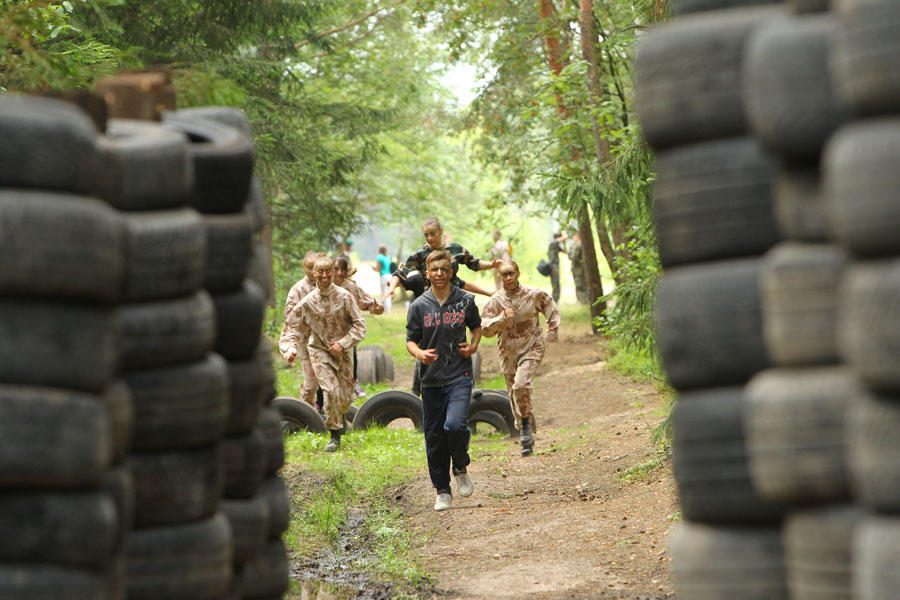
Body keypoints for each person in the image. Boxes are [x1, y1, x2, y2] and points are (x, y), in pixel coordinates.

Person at [406, 250, 482, 511]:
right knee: (435, 436)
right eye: (434, 270)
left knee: (456, 425)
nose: (439, 274)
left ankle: (460, 466)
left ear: (451, 273)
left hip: (459, 374)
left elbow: (476, 326)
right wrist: (419, 353)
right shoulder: (418, 306)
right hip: (430, 379)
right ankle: (442, 491)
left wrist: (473, 346)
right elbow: (410, 340)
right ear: (427, 273)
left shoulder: (465, 301)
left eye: (444, 270)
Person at [283, 256, 366, 452]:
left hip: (343, 351)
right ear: (314, 274)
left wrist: (344, 343)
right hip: (319, 350)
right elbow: (291, 326)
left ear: (332, 272)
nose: (325, 275)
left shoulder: (345, 296)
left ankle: (341, 417)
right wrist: (289, 348)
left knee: (345, 396)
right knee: (330, 390)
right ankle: (334, 435)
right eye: (320, 272)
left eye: (328, 271)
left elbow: (360, 326)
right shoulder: (307, 301)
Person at [481, 260, 560, 456]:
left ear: (518, 273)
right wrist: (501, 319)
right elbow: (485, 330)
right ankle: (524, 424)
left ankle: (525, 429)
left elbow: (550, 307)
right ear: (499, 277)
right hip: (508, 351)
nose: (508, 278)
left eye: (511, 273)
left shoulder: (533, 294)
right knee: (512, 392)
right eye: (504, 275)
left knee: (521, 385)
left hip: (532, 346)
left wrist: (552, 329)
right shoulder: (496, 301)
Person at [384, 217, 500, 301]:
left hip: (453, 299)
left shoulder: (454, 249)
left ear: (440, 232)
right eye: (426, 235)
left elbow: (474, 263)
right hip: (430, 301)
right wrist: (392, 289)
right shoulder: (420, 255)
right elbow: (400, 273)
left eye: (432, 234)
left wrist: (492, 264)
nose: (429, 238)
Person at [279, 251, 324, 408]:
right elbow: (290, 317)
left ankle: (326, 410)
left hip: (325, 340)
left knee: (327, 379)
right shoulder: (298, 289)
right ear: (304, 268)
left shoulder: (327, 285)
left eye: (315, 268)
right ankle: (304, 409)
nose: (313, 272)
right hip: (304, 341)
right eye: (310, 268)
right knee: (311, 383)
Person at [334, 256, 384, 397]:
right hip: (328, 332)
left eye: (342, 269)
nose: (338, 273)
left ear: (346, 271)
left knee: (351, 355)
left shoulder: (351, 287)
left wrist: (376, 307)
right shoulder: (324, 285)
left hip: (347, 330)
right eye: (336, 269)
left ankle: (353, 383)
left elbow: (368, 303)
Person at [547, 231, 567, 303]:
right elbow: (564, 237)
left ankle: (555, 300)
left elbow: (565, 251)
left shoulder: (556, 245)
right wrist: (564, 233)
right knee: (555, 283)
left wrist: (564, 243)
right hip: (553, 266)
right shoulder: (553, 243)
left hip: (555, 266)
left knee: (556, 283)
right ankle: (554, 301)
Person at [569, 231, 588, 304]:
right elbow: (569, 255)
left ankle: (583, 300)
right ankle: (580, 300)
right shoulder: (573, 245)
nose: (574, 238)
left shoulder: (580, 245)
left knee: (581, 284)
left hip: (580, 267)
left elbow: (574, 257)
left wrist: (572, 257)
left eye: (575, 236)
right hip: (575, 267)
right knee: (578, 284)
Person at [375, 244, 393, 313]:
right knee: (388, 293)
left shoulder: (379, 257)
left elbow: (378, 268)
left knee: (384, 294)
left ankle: (386, 310)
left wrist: (372, 268)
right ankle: (388, 309)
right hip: (389, 276)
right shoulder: (388, 257)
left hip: (383, 276)